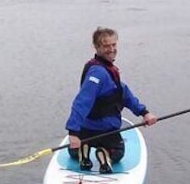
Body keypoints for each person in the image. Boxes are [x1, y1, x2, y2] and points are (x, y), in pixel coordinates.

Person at [65, 27, 158, 174]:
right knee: (118, 153)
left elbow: (123, 93)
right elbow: (82, 102)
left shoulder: (105, 69)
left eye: (114, 45)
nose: (112, 49)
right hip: (106, 129)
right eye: (106, 46)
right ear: (96, 47)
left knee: (73, 153)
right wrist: (73, 133)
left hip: (86, 130)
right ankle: (104, 153)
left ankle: (84, 148)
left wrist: (144, 113)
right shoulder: (98, 72)